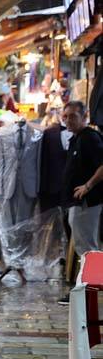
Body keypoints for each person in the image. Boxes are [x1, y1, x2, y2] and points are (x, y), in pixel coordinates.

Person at [65, 100, 103, 259]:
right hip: (78, 202)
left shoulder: (90, 138)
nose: (68, 120)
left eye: (73, 116)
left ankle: (92, 282)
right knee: (84, 246)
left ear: (84, 116)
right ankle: (89, 281)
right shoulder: (77, 138)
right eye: (65, 116)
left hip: (87, 202)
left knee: (88, 247)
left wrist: (87, 186)